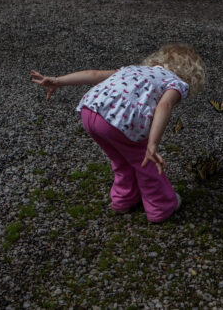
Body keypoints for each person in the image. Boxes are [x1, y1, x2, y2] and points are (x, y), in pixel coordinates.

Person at [31, 43, 206, 223]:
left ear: (157, 60)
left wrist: (58, 80)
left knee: (120, 159)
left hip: (90, 111)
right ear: (190, 73)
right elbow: (164, 105)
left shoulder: (133, 69)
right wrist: (152, 144)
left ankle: (123, 200)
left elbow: (94, 75)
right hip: (119, 121)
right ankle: (160, 207)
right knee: (144, 162)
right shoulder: (176, 82)